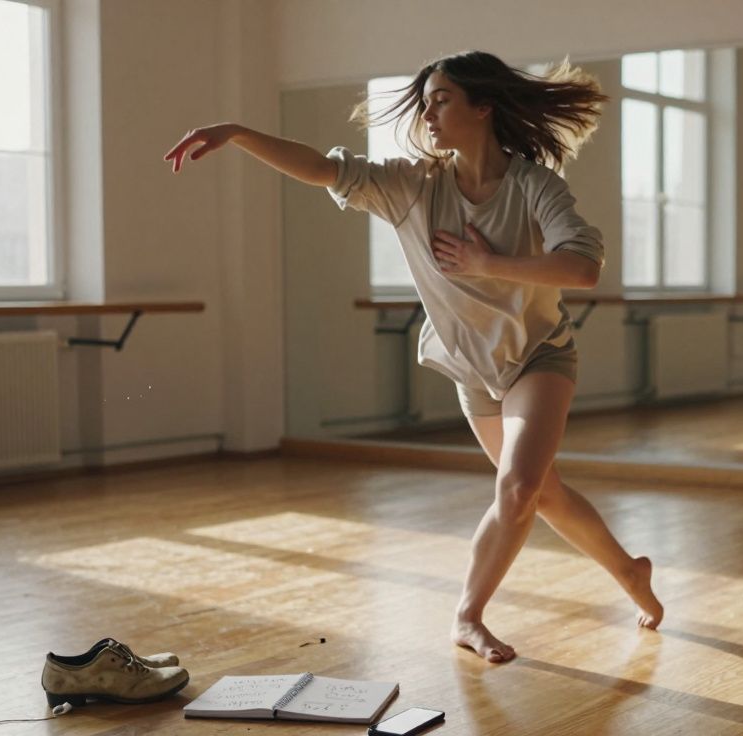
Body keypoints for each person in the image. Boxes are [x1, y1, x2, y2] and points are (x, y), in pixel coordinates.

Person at [164, 51, 663, 664]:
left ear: (483, 107)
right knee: (542, 493)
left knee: (518, 486)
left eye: (442, 99)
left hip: (538, 357)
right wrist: (237, 133)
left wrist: (487, 264)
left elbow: (582, 267)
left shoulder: (535, 185)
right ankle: (629, 572)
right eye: (425, 101)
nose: (427, 113)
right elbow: (323, 169)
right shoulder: (413, 186)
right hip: (472, 369)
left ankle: (466, 617)